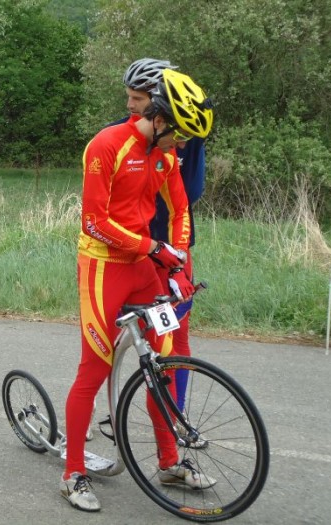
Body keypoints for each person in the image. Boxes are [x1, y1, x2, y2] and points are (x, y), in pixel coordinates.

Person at [61, 69, 215, 512]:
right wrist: (154, 247)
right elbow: (93, 221)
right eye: (180, 134)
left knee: (163, 363)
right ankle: (73, 473)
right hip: (103, 268)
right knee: (94, 368)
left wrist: (179, 256)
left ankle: (169, 461)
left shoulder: (165, 156)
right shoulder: (107, 145)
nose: (183, 146)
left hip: (144, 269)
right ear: (159, 117)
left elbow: (181, 209)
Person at [124, 58, 207, 418]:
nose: (131, 105)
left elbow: (192, 192)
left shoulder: (184, 135)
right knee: (124, 336)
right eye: (128, 96)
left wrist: (179, 256)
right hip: (136, 251)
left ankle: (175, 416)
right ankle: (112, 403)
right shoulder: (121, 133)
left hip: (172, 250)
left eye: (139, 98)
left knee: (176, 340)